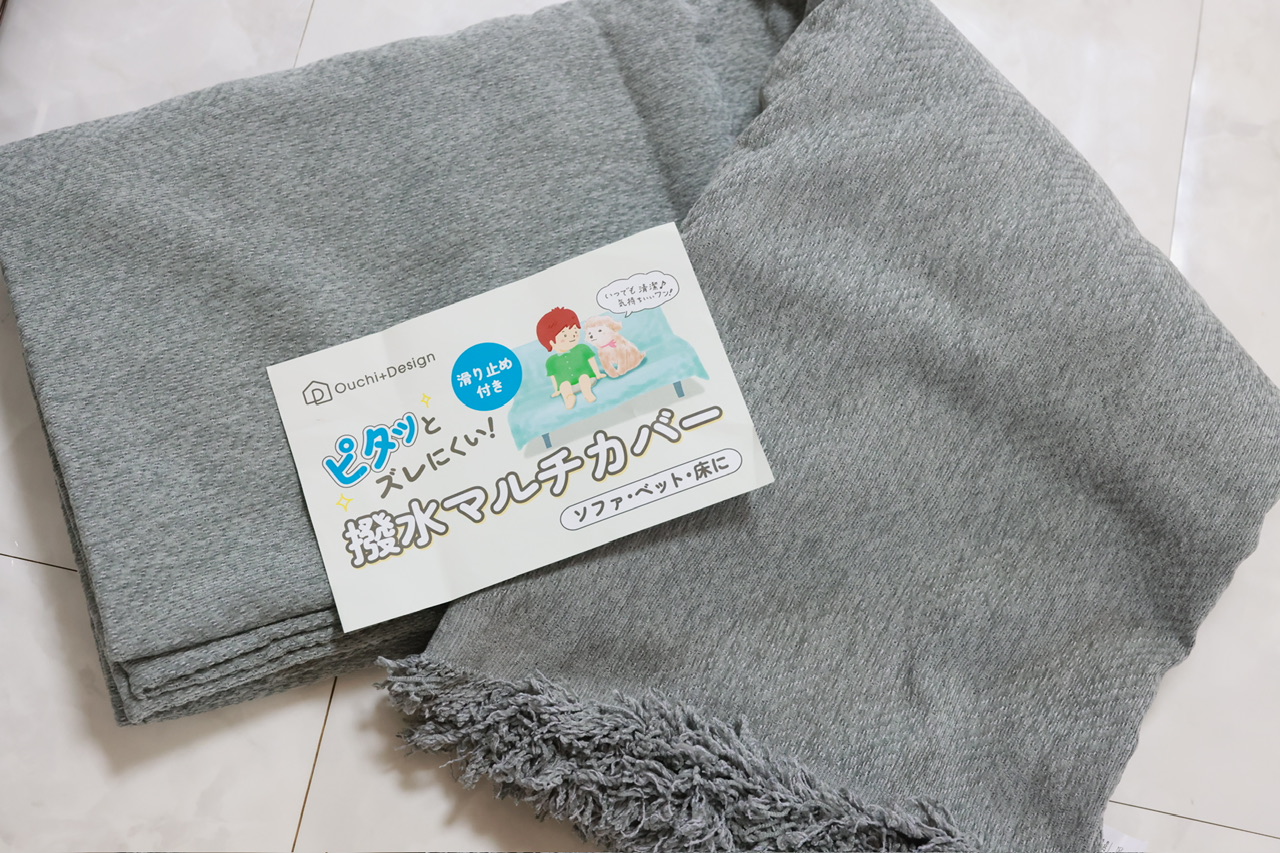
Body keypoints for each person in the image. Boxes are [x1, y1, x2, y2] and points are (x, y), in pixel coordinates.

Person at [536, 306, 600, 410]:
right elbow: (553, 377)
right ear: (551, 342)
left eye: (575, 332)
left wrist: (597, 374)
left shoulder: (582, 348)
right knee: (564, 385)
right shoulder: (551, 361)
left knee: (583, 377)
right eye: (565, 336)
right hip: (570, 387)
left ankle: (587, 393)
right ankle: (569, 398)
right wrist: (557, 390)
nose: (572, 337)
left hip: (588, 379)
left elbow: (592, 361)